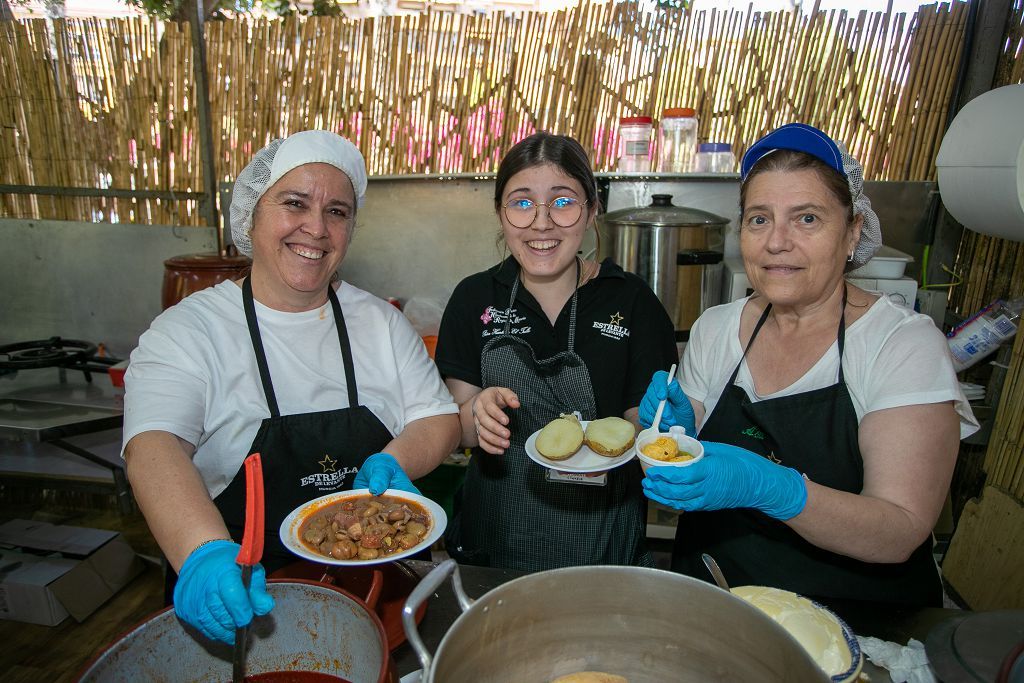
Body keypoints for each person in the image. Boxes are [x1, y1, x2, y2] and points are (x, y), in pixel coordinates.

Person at [122, 130, 460, 644]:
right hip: (241, 600)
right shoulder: (188, 331)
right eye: (294, 203)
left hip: (371, 596)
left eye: (338, 212)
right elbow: (153, 445)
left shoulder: (380, 324)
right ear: (252, 213)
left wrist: (399, 460)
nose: (316, 228)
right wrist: (203, 553)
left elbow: (437, 417)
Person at [638, 123, 978, 606]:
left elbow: (900, 529)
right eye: (759, 219)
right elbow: (685, 451)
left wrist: (774, 489)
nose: (777, 242)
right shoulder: (716, 328)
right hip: (720, 603)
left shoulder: (900, 345)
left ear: (852, 232)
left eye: (807, 219)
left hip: (857, 624)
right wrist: (675, 433)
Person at [434, 132, 678, 571]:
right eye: (522, 203)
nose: (541, 223)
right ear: (500, 213)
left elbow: (642, 426)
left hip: (603, 548)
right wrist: (477, 413)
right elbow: (460, 431)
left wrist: (661, 429)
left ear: (591, 210)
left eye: (563, 202)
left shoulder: (632, 302)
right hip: (495, 545)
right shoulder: (474, 299)